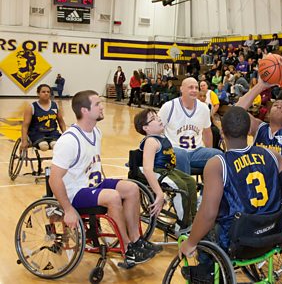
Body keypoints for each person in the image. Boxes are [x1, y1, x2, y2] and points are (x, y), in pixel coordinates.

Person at [180, 106, 282, 257]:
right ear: (249, 130)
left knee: (203, 229)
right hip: (273, 234)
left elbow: (208, 214)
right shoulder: (272, 155)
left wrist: (190, 243)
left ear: (222, 132)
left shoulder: (217, 164)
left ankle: (205, 273)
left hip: (238, 240)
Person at [49, 90, 160, 266]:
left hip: (93, 184)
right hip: (74, 192)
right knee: (113, 196)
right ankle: (128, 248)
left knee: (131, 188)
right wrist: (68, 209)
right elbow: (54, 179)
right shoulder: (69, 140)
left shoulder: (96, 133)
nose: (102, 107)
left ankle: (136, 239)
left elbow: (95, 165)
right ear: (85, 111)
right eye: (98, 104)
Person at [236, 57, 282, 246]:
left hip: (279, 188)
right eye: (275, 105)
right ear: (268, 113)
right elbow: (235, 113)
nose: (278, 105)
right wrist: (260, 86)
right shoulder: (259, 128)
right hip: (253, 183)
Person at [133, 109, 197, 232]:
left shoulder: (161, 137)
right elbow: (147, 169)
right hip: (156, 170)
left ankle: (193, 217)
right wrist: (159, 193)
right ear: (146, 127)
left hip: (167, 170)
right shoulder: (151, 141)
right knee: (180, 187)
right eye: (153, 118)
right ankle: (183, 225)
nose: (159, 118)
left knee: (190, 182)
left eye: (157, 116)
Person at [158, 77, 222, 175]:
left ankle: (208, 188)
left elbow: (207, 132)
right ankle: (186, 188)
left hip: (196, 152)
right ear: (181, 89)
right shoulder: (168, 107)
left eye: (196, 88)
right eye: (191, 87)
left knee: (218, 155)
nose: (194, 90)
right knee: (181, 154)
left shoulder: (204, 108)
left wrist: (209, 149)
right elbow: (157, 130)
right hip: (174, 151)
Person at [21, 84, 66, 152]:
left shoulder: (55, 105)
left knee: (56, 145)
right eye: (43, 92)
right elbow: (25, 125)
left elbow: (61, 122)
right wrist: (24, 141)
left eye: (48, 92)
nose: (46, 93)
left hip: (53, 133)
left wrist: (65, 134)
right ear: (38, 93)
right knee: (43, 146)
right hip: (37, 133)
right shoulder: (31, 107)